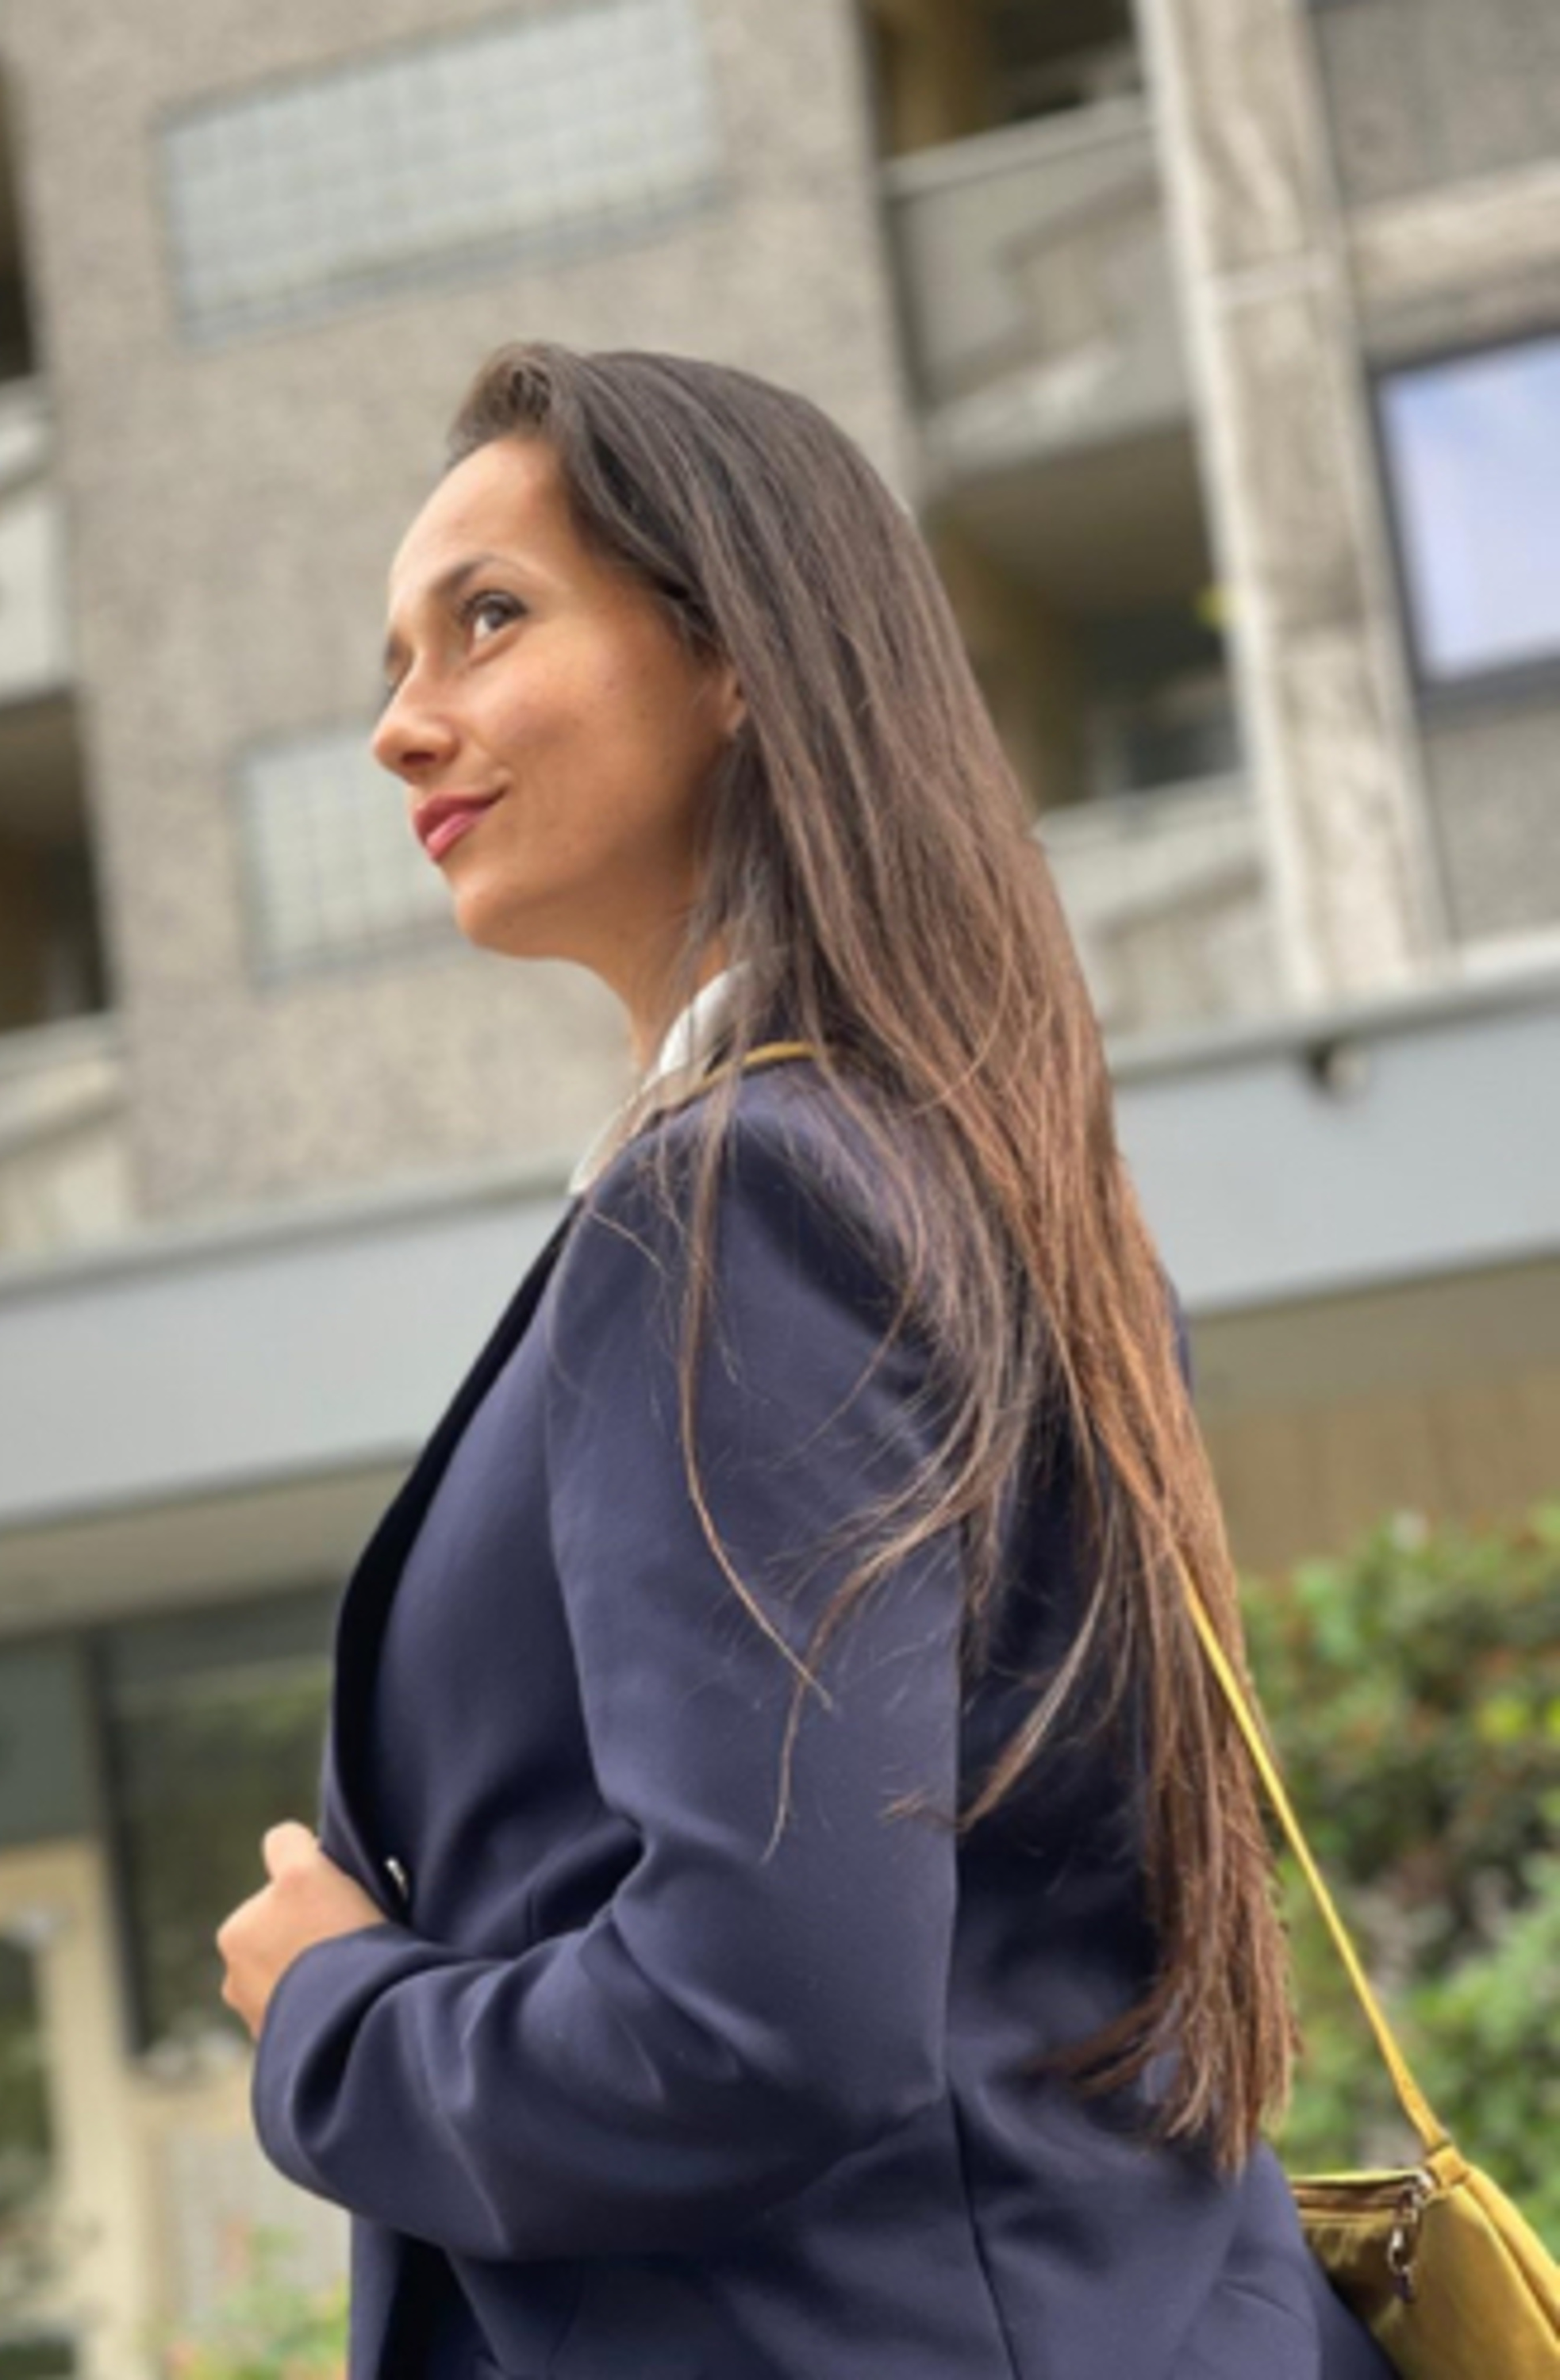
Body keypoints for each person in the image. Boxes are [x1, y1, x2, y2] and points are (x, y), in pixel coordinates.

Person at [213, 341, 1397, 2380]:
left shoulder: (744, 1200)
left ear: (737, 655)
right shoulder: (968, 1173)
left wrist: (336, 2017)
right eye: (396, 662)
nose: (403, 726)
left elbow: (759, 2022)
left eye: (489, 620)